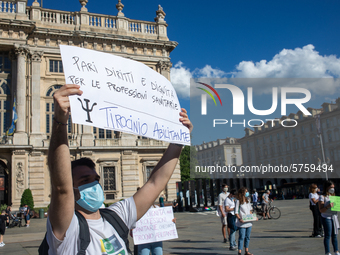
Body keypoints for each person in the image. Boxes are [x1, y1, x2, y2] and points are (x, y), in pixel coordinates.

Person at [46, 84, 193, 254]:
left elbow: (155, 183)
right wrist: (60, 121)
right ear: (72, 189)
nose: (94, 185)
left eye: (96, 179)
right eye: (85, 180)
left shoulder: (116, 216)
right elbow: (61, 188)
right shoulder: (67, 228)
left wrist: (179, 138)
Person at [319, 180, 340, 255]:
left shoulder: (333, 196)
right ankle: (327, 252)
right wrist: (328, 206)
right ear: (327, 187)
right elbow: (321, 210)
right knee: (328, 235)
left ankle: (336, 251)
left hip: (334, 217)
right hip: (326, 217)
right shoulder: (322, 197)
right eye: (331, 187)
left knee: (335, 235)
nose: (333, 189)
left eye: (333, 187)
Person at [235, 187, 256, 255]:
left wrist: (254, 217)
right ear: (242, 193)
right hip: (242, 223)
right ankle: (239, 252)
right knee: (241, 237)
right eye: (246, 191)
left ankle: (246, 251)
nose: (247, 193)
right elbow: (236, 212)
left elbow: (250, 211)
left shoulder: (247, 200)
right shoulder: (238, 201)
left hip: (249, 222)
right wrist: (239, 219)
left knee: (248, 237)